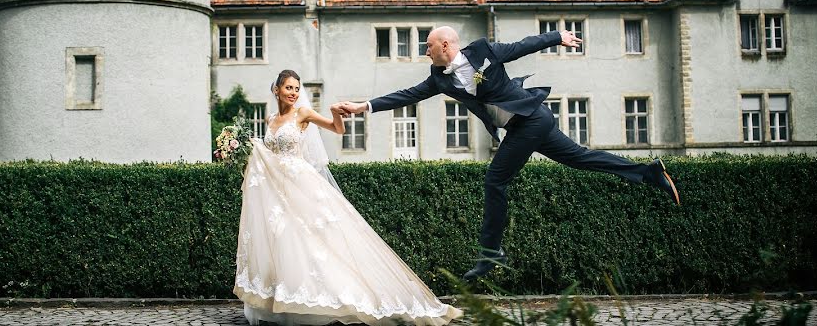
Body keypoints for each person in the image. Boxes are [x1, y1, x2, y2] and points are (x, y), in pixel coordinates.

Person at [333, 26, 680, 282]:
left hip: (531, 119)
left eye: (428, 47)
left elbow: (520, 46)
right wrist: (363, 106)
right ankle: (648, 172)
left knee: (495, 179)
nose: (425, 52)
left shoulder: (483, 50)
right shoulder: (439, 77)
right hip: (524, 127)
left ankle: (490, 252)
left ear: (444, 45)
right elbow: (406, 95)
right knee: (580, 157)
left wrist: (556, 36)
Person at [232, 69, 462, 326]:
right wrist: (245, 149)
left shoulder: (303, 113)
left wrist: (334, 114)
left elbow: (336, 129)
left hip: (301, 183)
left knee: (318, 240)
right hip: (277, 189)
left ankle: (333, 298)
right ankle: (286, 300)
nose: (294, 93)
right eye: (289, 88)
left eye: (297, 88)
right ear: (276, 90)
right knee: (284, 239)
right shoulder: (271, 118)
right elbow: (269, 153)